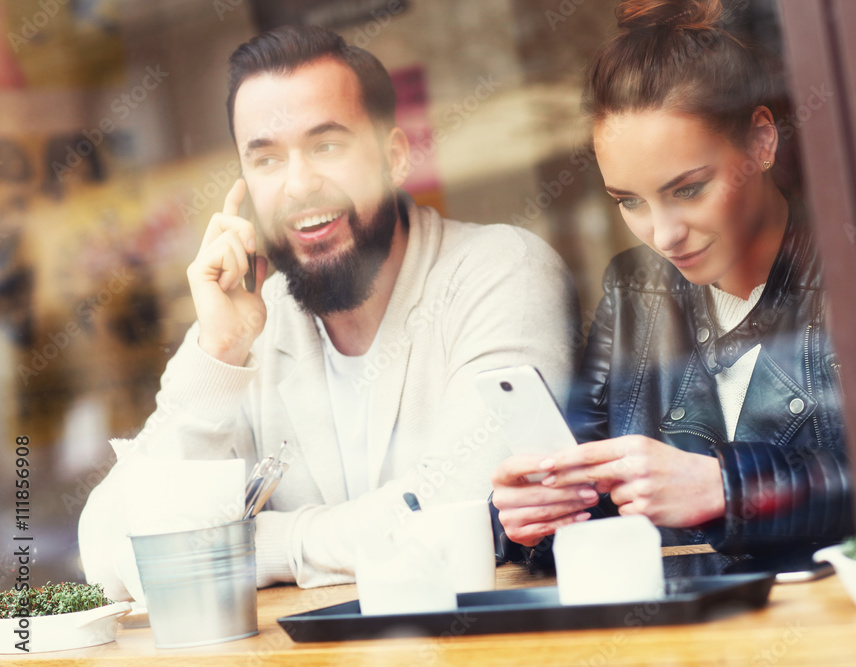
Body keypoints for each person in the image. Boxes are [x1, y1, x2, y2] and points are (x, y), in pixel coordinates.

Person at [79, 25, 579, 595]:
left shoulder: (500, 270)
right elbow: (107, 550)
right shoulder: (248, 325)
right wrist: (217, 356)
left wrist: (244, 547)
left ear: (394, 157)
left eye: (328, 146)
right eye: (266, 160)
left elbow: (456, 512)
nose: (299, 185)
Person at [491, 0, 855, 574]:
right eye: (629, 201)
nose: (663, 234)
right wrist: (530, 519)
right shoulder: (634, 289)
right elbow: (587, 482)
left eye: (687, 189)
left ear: (762, 141)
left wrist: (727, 488)